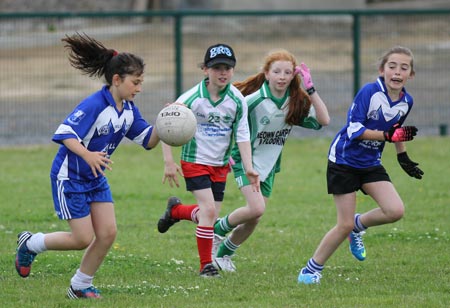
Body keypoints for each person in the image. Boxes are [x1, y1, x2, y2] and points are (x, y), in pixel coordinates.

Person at [14, 32, 160, 299]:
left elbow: (148, 140)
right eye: (135, 82)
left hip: (95, 178)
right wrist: (88, 154)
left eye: (141, 83)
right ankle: (30, 243)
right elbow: (66, 133)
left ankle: (80, 285)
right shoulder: (95, 104)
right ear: (117, 80)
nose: (139, 88)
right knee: (81, 238)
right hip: (70, 178)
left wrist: (168, 123)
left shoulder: (128, 109)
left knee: (107, 233)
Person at [298, 45, 424, 284]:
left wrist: (402, 157)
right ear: (381, 70)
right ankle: (311, 269)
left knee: (395, 210)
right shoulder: (369, 92)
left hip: (370, 163)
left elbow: (396, 131)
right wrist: (387, 137)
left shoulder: (407, 101)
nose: (397, 71)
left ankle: (358, 226)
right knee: (342, 224)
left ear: (411, 75)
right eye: (392, 66)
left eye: (404, 68)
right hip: (344, 160)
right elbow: (355, 130)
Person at [212, 49, 330, 272]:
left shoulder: (294, 102)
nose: (282, 76)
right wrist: (226, 154)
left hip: (269, 165)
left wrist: (310, 88)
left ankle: (224, 254)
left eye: (287, 72)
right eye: (277, 71)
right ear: (266, 74)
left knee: (255, 217)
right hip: (244, 161)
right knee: (256, 209)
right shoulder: (253, 101)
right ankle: (217, 229)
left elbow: (324, 119)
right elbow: (231, 126)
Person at [157, 43, 259, 277]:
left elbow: (242, 134)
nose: (222, 73)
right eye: (216, 68)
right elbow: (166, 124)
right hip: (194, 160)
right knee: (209, 210)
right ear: (205, 69)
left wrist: (249, 167)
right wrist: (168, 162)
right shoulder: (191, 98)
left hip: (220, 165)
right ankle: (206, 266)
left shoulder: (236, 100)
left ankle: (176, 211)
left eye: (227, 68)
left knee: (208, 216)